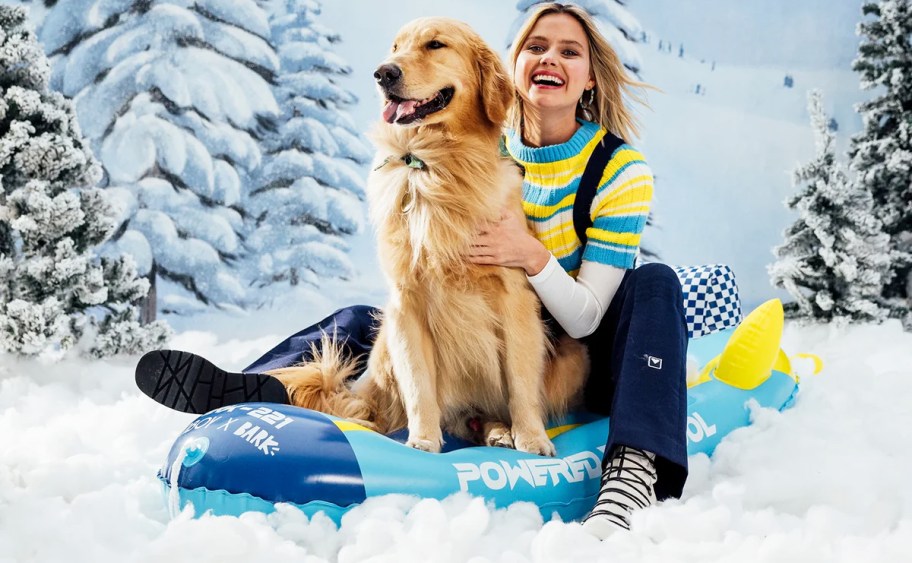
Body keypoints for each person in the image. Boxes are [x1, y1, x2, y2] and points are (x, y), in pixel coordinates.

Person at [135, 3, 687, 539]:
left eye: (569, 52)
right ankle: (254, 389)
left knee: (656, 282)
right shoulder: (481, 142)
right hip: (475, 339)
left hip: (573, 347)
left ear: (590, 78)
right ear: (513, 70)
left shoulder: (618, 170)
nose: (550, 59)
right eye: (536, 47)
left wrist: (529, 254)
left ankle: (631, 471)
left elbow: (586, 317)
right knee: (369, 314)